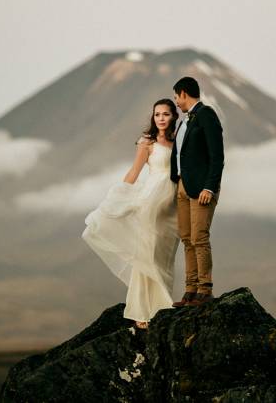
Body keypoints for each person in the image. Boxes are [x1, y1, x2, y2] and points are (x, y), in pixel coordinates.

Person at [82, 99, 180, 330]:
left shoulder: (178, 141)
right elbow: (134, 171)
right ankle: (142, 311)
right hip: (151, 203)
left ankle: (161, 306)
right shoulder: (147, 143)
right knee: (147, 255)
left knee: (165, 257)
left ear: (173, 116)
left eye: (166, 114)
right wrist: (117, 198)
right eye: (157, 114)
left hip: (172, 207)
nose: (161, 118)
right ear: (153, 117)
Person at [170, 76, 224, 307]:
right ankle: (190, 290)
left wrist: (210, 187)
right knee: (186, 238)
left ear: (184, 93)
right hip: (183, 186)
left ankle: (205, 289)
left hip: (202, 188)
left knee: (199, 237)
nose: (176, 102)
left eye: (176, 97)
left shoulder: (206, 115)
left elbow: (217, 156)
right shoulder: (184, 121)